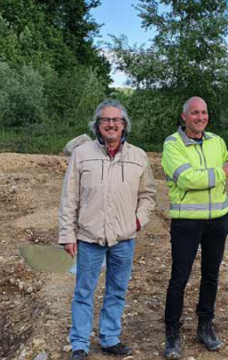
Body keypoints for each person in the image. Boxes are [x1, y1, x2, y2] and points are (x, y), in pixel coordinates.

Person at [58, 99, 156, 359]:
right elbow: (70, 197)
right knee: (83, 292)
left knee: (117, 290)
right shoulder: (82, 154)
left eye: (116, 120)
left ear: (124, 125)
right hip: (89, 237)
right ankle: (79, 344)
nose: (111, 124)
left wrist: (137, 221)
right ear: (97, 125)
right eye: (105, 120)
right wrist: (67, 234)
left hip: (124, 238)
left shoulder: (138, 156)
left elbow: (148, 195)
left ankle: (110, 338)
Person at [161, 97, 228, 359]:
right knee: (179, 278)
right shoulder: (172, 144)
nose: (200, 117)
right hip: (186, 222)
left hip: (218, 220)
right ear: (184, 117)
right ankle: (172, 332)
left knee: (211, 276)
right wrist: (221, 172)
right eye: (194, 113)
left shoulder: (216, 141)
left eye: (203, 113)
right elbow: (186, 178)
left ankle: (205, 326)